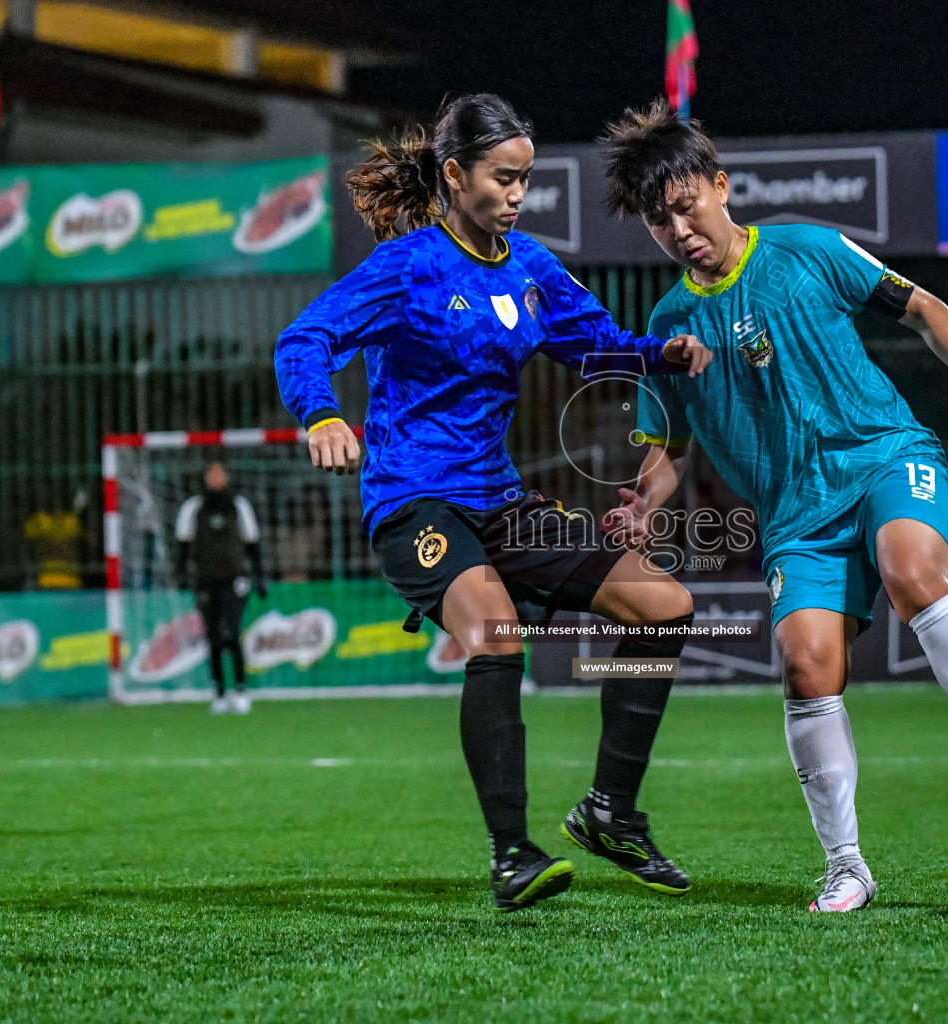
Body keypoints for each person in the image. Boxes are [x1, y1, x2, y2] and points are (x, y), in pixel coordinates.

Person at [599, 100, 948, 914]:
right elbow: (665, 451)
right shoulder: (669, 325)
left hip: (885, 455)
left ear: (720, 185)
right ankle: (846, 864)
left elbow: (919, 304)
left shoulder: (804, 249)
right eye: (658, 219)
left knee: (910, 568)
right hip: (797, 517)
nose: (678, 229)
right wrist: (643, 501)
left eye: (686, 205)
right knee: (807, 664)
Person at [274, 94, 713, 912]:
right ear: (453, 174)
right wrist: (323, 412)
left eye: (525, 180)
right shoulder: (409, 268)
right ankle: (512, 853)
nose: (517, 194)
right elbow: (306, 338)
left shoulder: (530, 266)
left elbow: (594, 345)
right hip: (415, 503)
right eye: (503, 179)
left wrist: (661, 352)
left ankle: (611, 812)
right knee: (497, 636)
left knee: (666, 606)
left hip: (500, 502)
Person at [175, 462, 267, 715]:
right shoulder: (193, 508)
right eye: (211, 473)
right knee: (213, 636)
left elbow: (253, 544)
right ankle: (218, 693)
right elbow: (183, 546)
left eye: (220, 473)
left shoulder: (239, 506)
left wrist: (259, 577)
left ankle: (240, 690)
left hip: (235, 579)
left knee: (231, 633)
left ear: (227, 476)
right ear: (204, 477)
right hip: (206, 580)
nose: (216, 478)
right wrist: (181, 574)